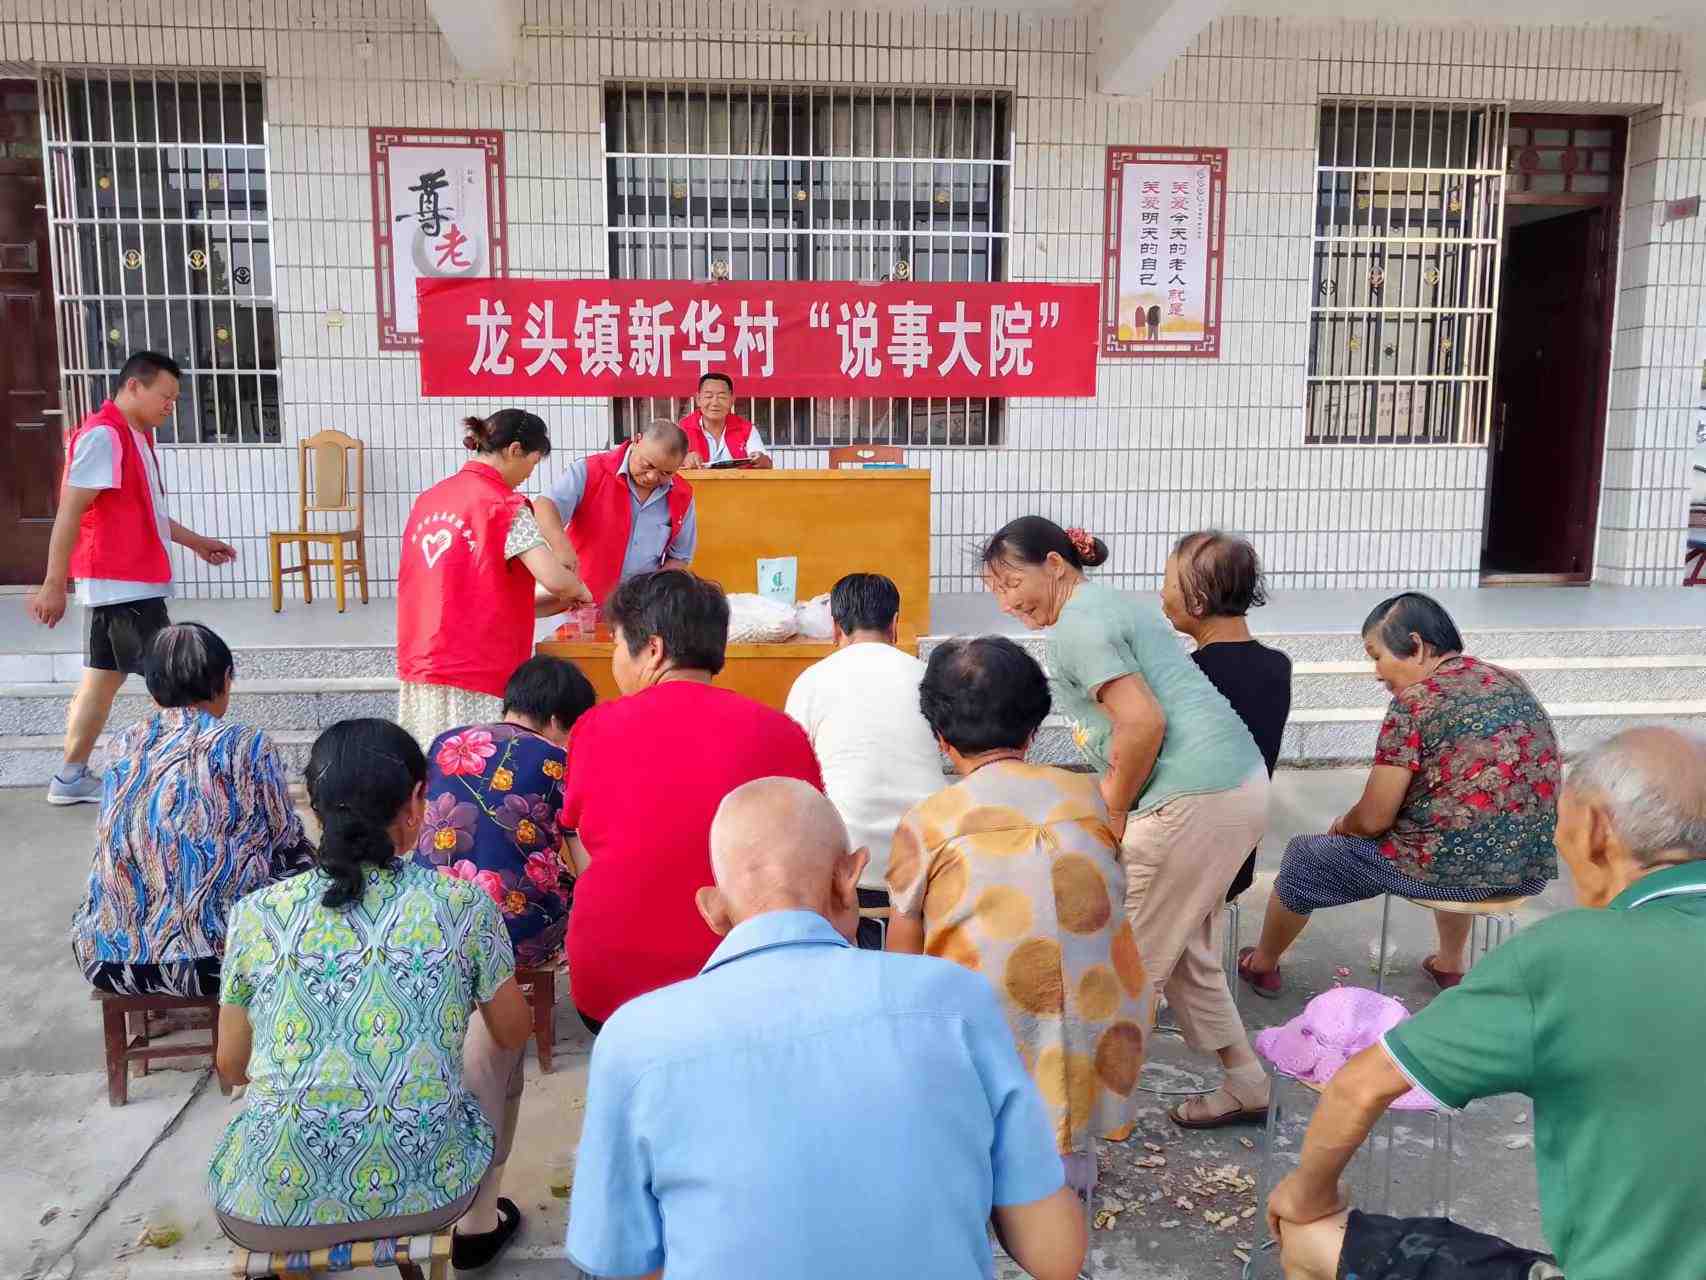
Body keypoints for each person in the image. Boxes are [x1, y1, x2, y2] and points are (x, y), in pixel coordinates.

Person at [567, 777, 1087, 1280]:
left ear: (714, 910)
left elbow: (624, 1262)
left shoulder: (634, 1042)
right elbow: (1056, 1255)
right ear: (849, 877)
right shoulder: (956, 1001)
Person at [1266, 727, 1706, 1280]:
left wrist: (1305, 1196)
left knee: (1311, 1238)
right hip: (1492, 876)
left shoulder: (1574, 954)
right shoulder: (1514, 705)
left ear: (1596, 829)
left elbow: (1361, 1086)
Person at [209, 718, 534, 1273]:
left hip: (263, 1205)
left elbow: (232, 1066)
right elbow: (513, 1031)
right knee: (497, 1026)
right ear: (415, 802)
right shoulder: (462, 905)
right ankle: (479, 1224)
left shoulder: (256, 915)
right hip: (431, 1192)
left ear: (314, 809)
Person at [982, 516, 1270, 1129]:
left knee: (1117, 964)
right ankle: (1247, 1082)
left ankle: (1076, 1127)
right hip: (1232, 788)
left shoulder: (1079, 625)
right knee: (1184, 953)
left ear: (1054, 565)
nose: (1007, 602)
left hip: (1193, 797)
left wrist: (1113, 811)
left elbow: (1142, 723)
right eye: (996, 591)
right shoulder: (1104, 605)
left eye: (1012, 583)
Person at [887, 636, 1148, 1192]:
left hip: (988, 1040)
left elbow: (903, 952)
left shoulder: (929, 822)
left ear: (940, 737)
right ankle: (1069, 1181)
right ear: (1034, 727)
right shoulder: (1089, 798)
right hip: (1101, 1028)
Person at [1239, 593, 1558, 998]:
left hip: (1447, 877)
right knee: (1455, 827)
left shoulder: (1415, 702)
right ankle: (1450, 964)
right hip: (1524, 871)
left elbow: (1374, 818)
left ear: (1416, 645)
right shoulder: (1511, 682)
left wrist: (1343, 825)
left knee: (1307, 855)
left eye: (1376, 656)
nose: (1376, 672)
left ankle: (1262, 964)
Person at [560, 570, 823, 1030]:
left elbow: (581, 832)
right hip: (748, 975)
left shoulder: (595, 728)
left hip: (614, 982)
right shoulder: (781, 732)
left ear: (653, 649)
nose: (614, 659)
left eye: (617, 644)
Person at [27, 351, 237, 806]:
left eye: (175, 399)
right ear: (134, 387)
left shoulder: (135, 436)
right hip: (124, 587)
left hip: (126, 584)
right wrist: (53, 583)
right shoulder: (104, 436)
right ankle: (191, 774)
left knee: (101, 682)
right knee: (179, 679)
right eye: (165, 396)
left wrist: (197, 542)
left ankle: (70, 777)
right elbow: (70, 511)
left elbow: (151, 515)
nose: (170, 406)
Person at [69, 623, 311, 997]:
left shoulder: (122, 743)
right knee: (301, 861)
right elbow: (284, 836)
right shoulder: (246, 744)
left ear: (152, 686)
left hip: (106, 961)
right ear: (225, 679)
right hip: (215, 961)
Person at [395, 409, 591, 750]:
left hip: (422, 659)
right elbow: (555, 578)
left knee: (432, 762)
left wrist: (559, 601)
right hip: (477, 668)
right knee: (478, 768)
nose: (529, 474)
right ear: (515, 450)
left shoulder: (429, 499)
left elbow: (477, 591)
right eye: (533, 462)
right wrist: (580, 589)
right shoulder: (504, 505)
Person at [784, 572, 943, 948]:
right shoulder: (928, 677)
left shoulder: (811, 681)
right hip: (928, 862)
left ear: (836, 627)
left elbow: (795, 775)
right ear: (895, 624)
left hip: (846, 869)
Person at [413, 654, 597, 968]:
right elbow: (586, 862)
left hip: (430, 922)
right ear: (556, 721)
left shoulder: (446, 742)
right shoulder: (559, 760)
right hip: (518, 939)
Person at [1160, 530, 1293, 900]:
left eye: (1168, 583)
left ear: (1198, 601)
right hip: (1239, 856)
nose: (1162, 594)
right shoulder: (1277, 667)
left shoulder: (1184, 676)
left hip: (1184, 858)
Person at [534, 419, 697, 609]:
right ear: (637, 441)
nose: (652, 477)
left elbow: (680, 556)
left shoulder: (682, 495)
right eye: (647, 465)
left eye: (666, 473)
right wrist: (561, 547)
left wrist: (655, 593)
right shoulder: (590, 471)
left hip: (639, 610)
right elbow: (544, 506)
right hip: (580, 603)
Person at [678, 371, 773, 468]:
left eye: (722, 397)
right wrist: (683, 459)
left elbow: (767, 463)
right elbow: (671, 463)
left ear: (732, 400)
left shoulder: (746, 429)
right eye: (708, 396)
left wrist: (761, 460)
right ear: (698, 399)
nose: (715, 403)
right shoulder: (682, 429)